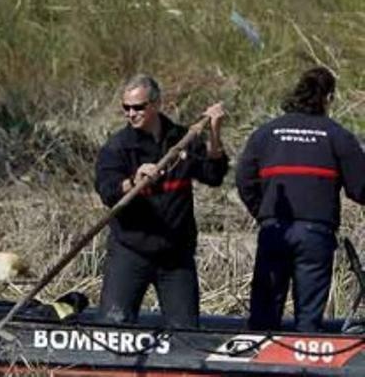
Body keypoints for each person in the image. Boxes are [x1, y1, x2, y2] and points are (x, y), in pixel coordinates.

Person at [237, 66, 365, 332]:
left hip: (274, 231)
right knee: (308, 321)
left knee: (263, 316)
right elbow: (361, 188)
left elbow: (243, 179)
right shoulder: (337, 135)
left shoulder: (266, 133)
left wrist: (264, 212)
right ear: (328, 98)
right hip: (315, 234)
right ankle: (306, 361)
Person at [94, 74, 228, 328]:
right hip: (130, 250)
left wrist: (215, 131)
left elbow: (214, 174)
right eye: (126, 108)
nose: (131, 114)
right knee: (113, 325)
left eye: (138, 107)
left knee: (185, 330)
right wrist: (133, 181)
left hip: (175, 254)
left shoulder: (181, 140)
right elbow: (107, 189)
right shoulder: (118, 147)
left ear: (155, 104)